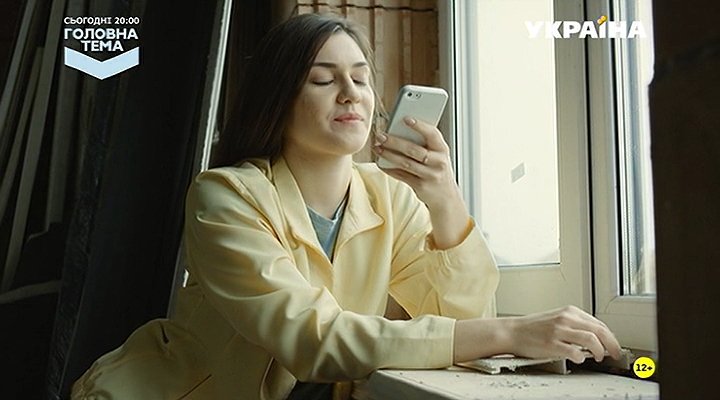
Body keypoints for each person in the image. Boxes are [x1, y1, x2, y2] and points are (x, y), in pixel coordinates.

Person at [72, 13, 621, 400]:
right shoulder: (225, 196)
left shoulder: (391, 196)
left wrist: (446, 201)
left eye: (361, 78)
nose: (351, 92)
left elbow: (462, 325)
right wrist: (514, 332)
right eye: (322, 79)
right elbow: (311, 338)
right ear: (278, 98)